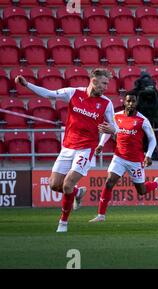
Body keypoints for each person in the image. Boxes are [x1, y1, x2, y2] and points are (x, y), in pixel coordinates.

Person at [15, 68, 119, 233]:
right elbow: (48, 94)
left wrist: (112, 130)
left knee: (68, 183)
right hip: (68, 147)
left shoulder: (106, 103)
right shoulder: (73, 93)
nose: (106, 87)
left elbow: (116, 127)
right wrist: (27, 84)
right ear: (94, 81)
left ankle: (63, 223)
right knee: (54, 185)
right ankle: (78, 192)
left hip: (86, 149)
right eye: (104, 83)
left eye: (107, 84)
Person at [89, 92, 158, 223]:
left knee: (141, 191)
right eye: (128, 101)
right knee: (109, 183)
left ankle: (156, 183)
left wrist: (148, 155)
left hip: (135, 160)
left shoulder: (142, 120)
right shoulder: (116, 117)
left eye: (133, 101)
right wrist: (101, 144)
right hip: (119, 157)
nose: (130, 104)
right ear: (124, 102)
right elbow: (109, 131)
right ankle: (101, 215)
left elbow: (152, 139)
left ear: (137, 103)